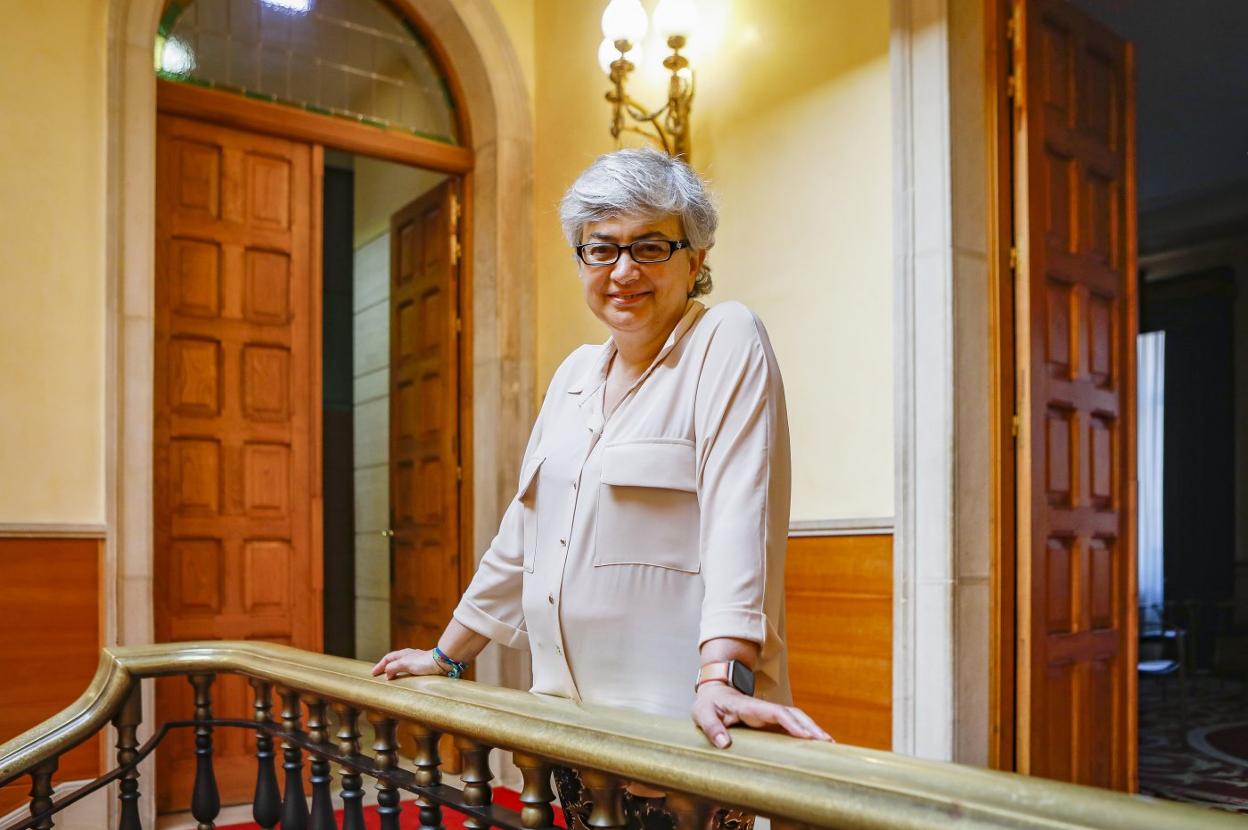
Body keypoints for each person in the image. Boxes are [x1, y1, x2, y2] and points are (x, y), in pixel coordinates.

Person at [373, 147, 830, 828]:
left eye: (650, 246)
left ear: (695, 260)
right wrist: (447, 655)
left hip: (685, 738)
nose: (623, 271)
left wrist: (723, 678)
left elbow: (743, 515)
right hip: (571, 735)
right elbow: (523, 534)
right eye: (601, 248)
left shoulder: (724, 339)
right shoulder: (574, 374)